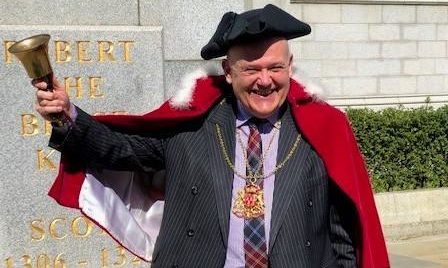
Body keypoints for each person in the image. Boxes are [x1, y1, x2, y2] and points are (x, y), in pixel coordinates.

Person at [34, 4, 389, 268]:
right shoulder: (192, 123)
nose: (265, 80)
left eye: (275, 67)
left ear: (290, 67)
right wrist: (68, 116)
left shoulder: (322, 129)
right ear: (228, 71)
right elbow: (121, 148)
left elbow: (345, 231)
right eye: (250, 69)